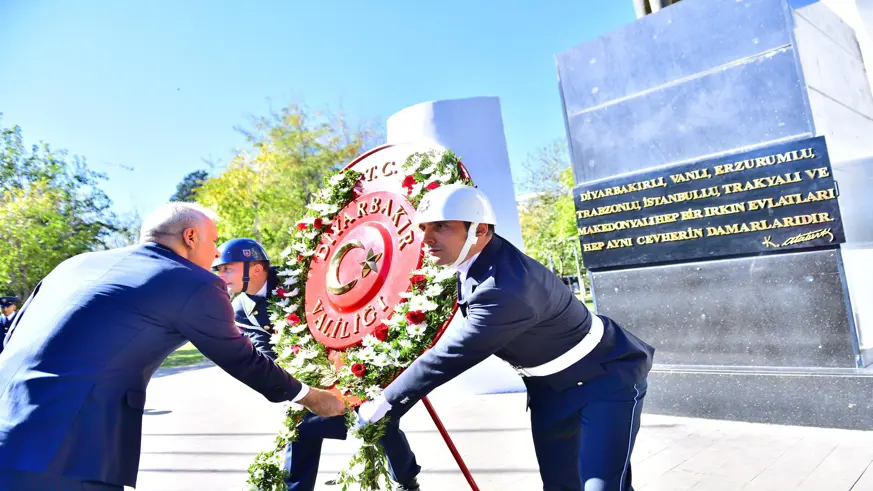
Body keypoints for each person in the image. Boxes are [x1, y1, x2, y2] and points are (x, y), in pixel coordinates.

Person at [0, 202, 346, 491]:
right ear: (190, 236)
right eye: (214, 243)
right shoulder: (192, 281)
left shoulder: (74, 264)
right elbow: (240, 357)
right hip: (63, 444)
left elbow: (15, 334)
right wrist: (313, 397)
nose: (214, 256)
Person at [357, 184, 655, 491]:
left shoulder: (502, 287)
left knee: (602, 488)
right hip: (550, 391)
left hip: (604, 378)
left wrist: (387, 402)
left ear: (480, 229)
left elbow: (451, 355)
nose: (428, 237)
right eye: (424, 227)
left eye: (442, 226)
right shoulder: (473, 262)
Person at [213, 238, 422, 491]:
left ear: (255, 268)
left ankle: (406, 480)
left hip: (351, 361)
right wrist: (305, 388)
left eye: (227, 268)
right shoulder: (242, 309)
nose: (221, 274)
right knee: (301, 426)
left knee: (380, 419)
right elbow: (268, 352)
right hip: (312, 376)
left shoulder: (299, 277)